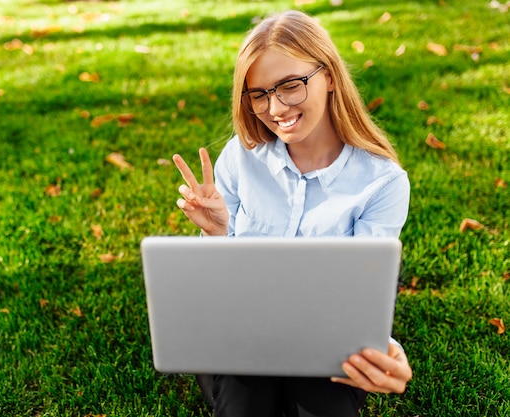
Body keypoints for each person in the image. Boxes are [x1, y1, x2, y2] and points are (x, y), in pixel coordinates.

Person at [171, 9, 413, 417]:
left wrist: (387, 348)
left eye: (290, 86)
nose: (276, 107)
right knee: (245, 404)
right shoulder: (241, 158)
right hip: (241, 338)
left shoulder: (382, 182)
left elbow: (365, 297)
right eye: (260, 94)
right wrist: (217, 234)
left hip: (326, 343)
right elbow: (219, 290)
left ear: (330, 76)